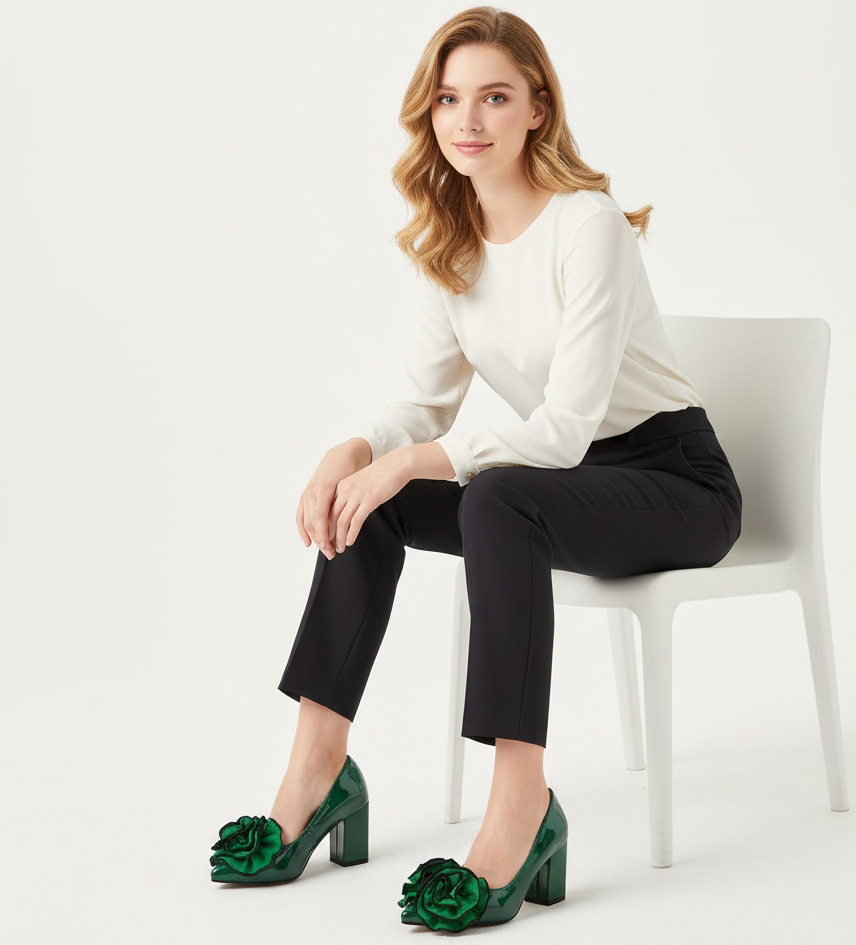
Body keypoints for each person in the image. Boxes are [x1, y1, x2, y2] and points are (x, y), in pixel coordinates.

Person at [209, 5, 742, 932]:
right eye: (451, 98)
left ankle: (519, 804)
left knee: (493, 495)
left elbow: (567, 429)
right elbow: (422, 405)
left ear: (537, 106)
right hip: (555, 489)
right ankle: (317, 766)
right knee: (370, 500)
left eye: (494, 97)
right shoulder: (447, 240)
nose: (469, 119)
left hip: (673, 485)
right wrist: (355, 453)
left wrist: (412, 459)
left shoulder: (590, 226)